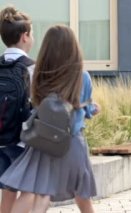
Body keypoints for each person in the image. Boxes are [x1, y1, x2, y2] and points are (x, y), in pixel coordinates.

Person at [0, 25, 100, 213]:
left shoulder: (39, 76)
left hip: (44, 141)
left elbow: (36, 105)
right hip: (73, 144)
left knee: (40, 192)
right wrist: (94, 109)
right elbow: (84, 111)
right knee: (82, 195)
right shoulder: (83, 77)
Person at [0, 6, 34, 213]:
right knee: (31, 191)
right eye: (32, 34)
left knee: (8, 191)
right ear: (24, 36)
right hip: (22, 141)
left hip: (1, 141)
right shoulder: (32, 67)